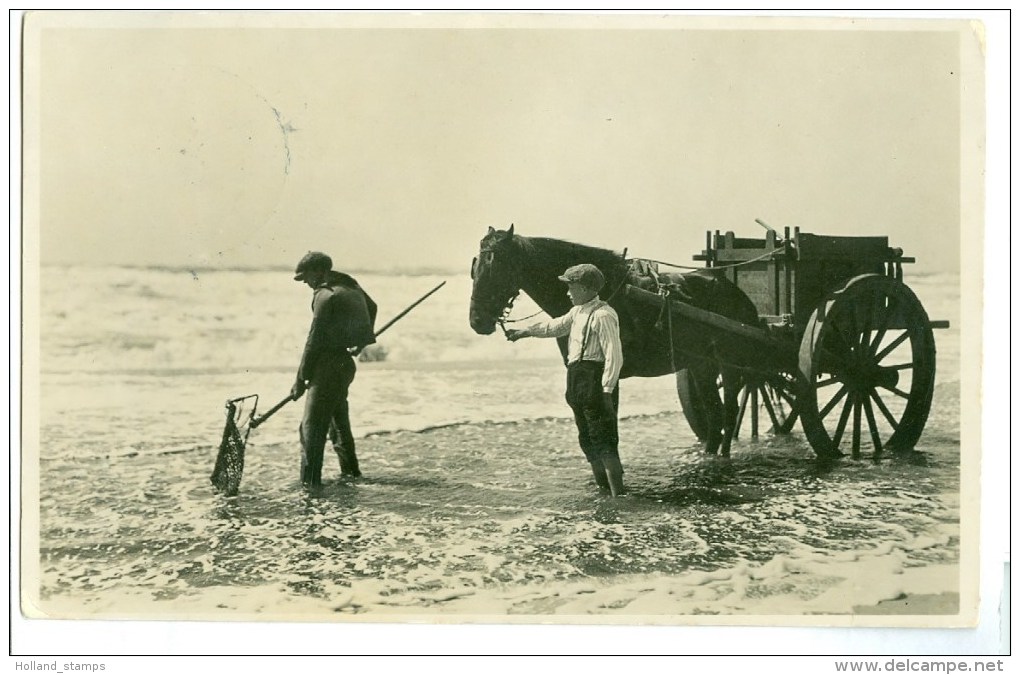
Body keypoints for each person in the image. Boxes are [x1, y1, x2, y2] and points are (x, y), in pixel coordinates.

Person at [505, 264, 626, 496]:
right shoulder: (576, 312)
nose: (567, 293)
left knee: (605, 441)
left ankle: (618, 495)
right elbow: (555, 326)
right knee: (587, 438)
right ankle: (603, 488)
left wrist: (608, 390)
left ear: (586, 288)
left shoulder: (603, 314)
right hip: (576, 380)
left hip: (596, 382)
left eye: (571, 287)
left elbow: (613, 354)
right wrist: (524, 332)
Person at [291, 251, 377, 488]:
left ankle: (310, 486)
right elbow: (373, 307)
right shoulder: (350, 285)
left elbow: (314, 339)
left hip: (327, 366)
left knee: (311, 429)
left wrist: (301, 378)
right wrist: (361, 340)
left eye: (306, 277)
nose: (306, 283)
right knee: (339, 423)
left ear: (319, 272)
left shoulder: (324, 295)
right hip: (344, 365)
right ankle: (351, 476)